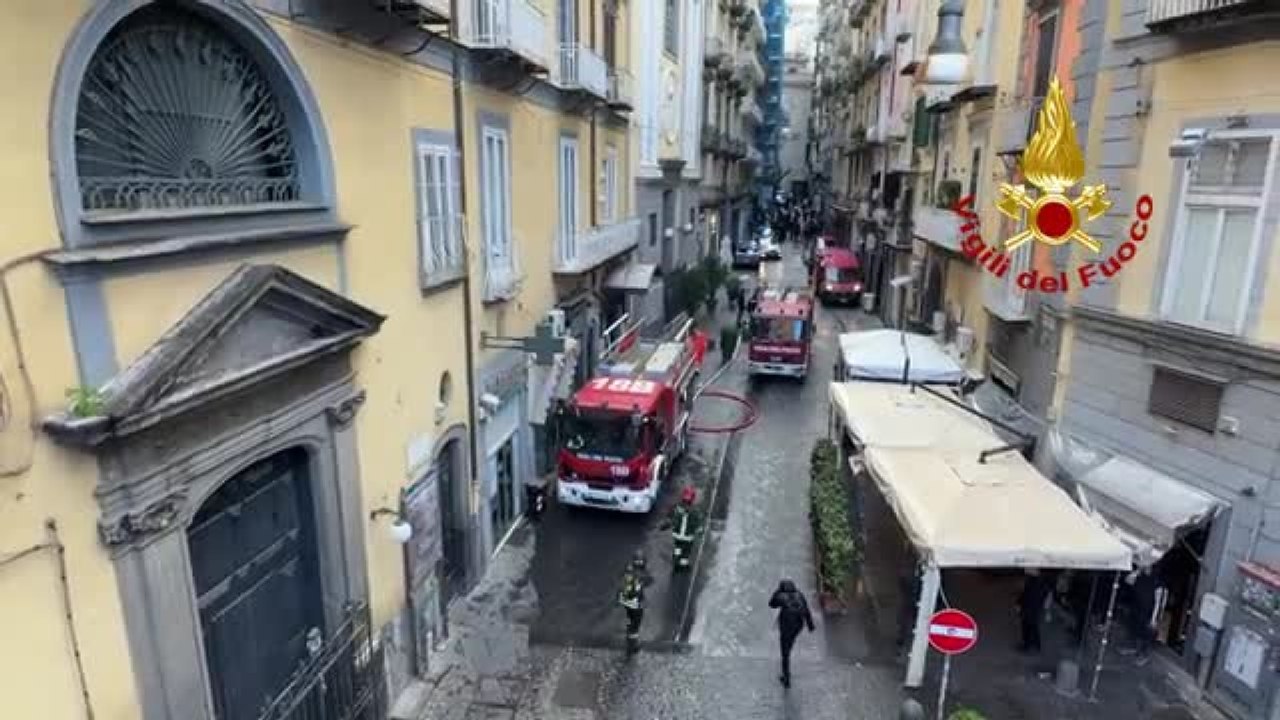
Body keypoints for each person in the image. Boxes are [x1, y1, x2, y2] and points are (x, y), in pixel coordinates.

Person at [768, 579, 816, 688]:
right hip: (798, 626)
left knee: (784, 653)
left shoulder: (781, 596)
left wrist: (777, 591)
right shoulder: (800, 595)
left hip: (787, 627)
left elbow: (771, 604)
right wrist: (810, 626)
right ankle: (786, 670)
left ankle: (786, 679)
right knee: (788, 646)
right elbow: (807, 611)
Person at [660, 486, 704, 570]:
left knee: (678, 547)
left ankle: (676, 559)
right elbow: (698, 524)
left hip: (677, 535)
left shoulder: (676, 507)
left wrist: (664, 526)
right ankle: (683, 565)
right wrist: (700, 532)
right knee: (686, 551)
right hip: (688, 537)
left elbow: (669, 519)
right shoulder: (695, 511)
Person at [618, 550, 652, 654]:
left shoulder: (628, 569)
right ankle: (632, 646)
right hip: (635, 603)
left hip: (625, 601)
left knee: (630, 620)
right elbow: (649, 581)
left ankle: (629, 638)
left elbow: (621, 579)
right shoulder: (641, 573)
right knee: (636, 624)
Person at [1018, 569, 1052, 653]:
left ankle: (1027, 646)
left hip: (1030, 607)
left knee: (1027, 626)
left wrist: (1019, 603)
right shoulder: (1036, 580)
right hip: (1033, 607)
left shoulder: (1034, 581)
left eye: (1028, 568)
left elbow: (1027, 594)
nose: (1025, 569)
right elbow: (1025, 593)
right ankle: (1036, 645)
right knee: (1033, 626)